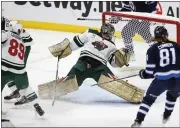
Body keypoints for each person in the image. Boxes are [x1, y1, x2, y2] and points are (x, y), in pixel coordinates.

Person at [38, 23, 144, 103]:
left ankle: (135, 95)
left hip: (100, 67)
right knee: (69, 81)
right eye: (110, 33)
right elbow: (74, 44)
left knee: (113, 82)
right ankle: (46, 92)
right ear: (105, 32)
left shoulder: (112, 46)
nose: (111, 35)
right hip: (83, 63)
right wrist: (63, 49)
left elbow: (113, 63)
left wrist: (122, 58)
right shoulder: (90, 33)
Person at [131, 26, 180, 127]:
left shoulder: (152, 49)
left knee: (148, 100)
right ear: (166, 35)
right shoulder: (176, 46)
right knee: (172, 97)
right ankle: (166, 118)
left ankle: (138, 121)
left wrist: (142, 74)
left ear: (156, 36)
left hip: (161, 81)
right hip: (178, 81)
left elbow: (149, 72)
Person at [1, 20, 45, 116]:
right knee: (25, 88)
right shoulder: (21, 40)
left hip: (5, 68)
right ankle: (36, 104)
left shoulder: (6, 34)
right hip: (20, 70)